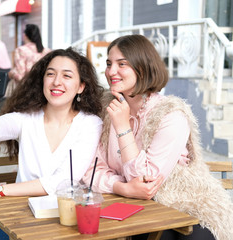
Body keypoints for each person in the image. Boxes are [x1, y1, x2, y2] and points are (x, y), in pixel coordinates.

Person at [82, 34, 233, 240]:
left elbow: (145, 182)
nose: (111, 71)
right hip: (131, 206)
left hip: (186, 205)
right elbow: (91, 169)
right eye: (109, 64)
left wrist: (123, 127)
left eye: (121, 64)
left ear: (142, 68)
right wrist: (123, 187)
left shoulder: (171, 114)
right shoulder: (106, 107)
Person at [0, 48, 104, 239]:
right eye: (50, 74)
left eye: (67, 76)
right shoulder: (27, 119)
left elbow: (64, 180)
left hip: (63, 223)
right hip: (18, 218)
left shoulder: (90, 124)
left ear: (81, 87)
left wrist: (4, 190)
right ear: (42, 80)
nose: (56, 81)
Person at [6, 24, 50, 97]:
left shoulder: (21, 50)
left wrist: (12, 73)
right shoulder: (47, 51)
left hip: (26, 92)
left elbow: (20, 76)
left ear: (25, 36)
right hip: (43, 92)